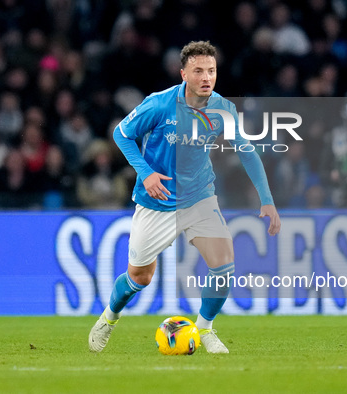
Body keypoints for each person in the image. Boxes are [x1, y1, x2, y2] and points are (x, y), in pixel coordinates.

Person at [88, 41, 281, 354]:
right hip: (157, 201)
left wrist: (267, 199)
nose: (206, 77)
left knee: (223, 266)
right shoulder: (160, 104)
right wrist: (146, 172)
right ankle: (109, 318)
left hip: (199, 198)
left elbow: (247, 150)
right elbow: (121, 133)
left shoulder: (222, 109)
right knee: (140, 276)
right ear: (183, 74)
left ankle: (205, 329)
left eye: (211, 71)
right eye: (199, 71)